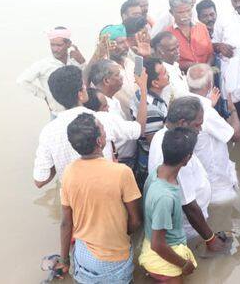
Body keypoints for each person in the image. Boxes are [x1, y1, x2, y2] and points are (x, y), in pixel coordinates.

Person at [56, 113, 142, 283]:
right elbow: (136, 221)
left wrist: (64, 259)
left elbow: (66, 222)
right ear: (99, 142)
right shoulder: (122, 172)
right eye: (103, 130)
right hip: (114, 258)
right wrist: (120, 234)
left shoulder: (68, 172)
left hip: (83, 255)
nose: (105, 133)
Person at [33, 66, 144, 187]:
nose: (86, 87)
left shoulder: (48, 132)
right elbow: (139, 129)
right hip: (107, 190)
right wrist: (143, 89)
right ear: (80, 94)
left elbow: (40, 181)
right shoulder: (102, 119)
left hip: (73, 200)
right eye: (83, 86)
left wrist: (58, 159)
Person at [147, 97, 228, 252]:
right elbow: (189, 205)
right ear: (183, 123)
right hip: (189, 228)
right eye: (198, 124)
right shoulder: (176, 153)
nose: (201, 129)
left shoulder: (163, 135)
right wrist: (210, 239)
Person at [139, 127, 199, 282]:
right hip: (162, 255)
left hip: (153, 245)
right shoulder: (165, 197)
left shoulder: (157, 172)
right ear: (187, 158)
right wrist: (184, 264)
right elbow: (157, 244)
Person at [186, 63, 240, 203]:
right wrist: (232, 109)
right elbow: (236, 136)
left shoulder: (183, 102)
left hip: (196, 179)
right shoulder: (207, 112)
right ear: (210, 85)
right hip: (215, 186)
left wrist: (209, 104)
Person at [88, 59, 147, 167]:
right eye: (117, 74)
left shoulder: (112, 98)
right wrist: (143, 88)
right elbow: (140, 128)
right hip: (120, 162)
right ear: (106, 81)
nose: (122, 77)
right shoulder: (103, 108)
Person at [17, 26, 85, 117]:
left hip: (79, 114)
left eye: (59, 45)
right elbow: (22, 81)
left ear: (69, 44)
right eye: (52, 45)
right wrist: (44, 96)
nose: (55, 49)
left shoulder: (76, 60)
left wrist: (83, 62)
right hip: (58, 115)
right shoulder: (43, 65)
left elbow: (87, 82)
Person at [132, 57, 171, 188]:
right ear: (155, 82)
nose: (168, 75)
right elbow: (154, 140)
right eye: (164, 73)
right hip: (152, 163)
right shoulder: (151, 108)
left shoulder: (139, 93)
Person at [166, 0, 214, 72]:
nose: (185, 15)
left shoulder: (202, 27)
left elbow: (211, 54)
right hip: (182, 80)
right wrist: (191, 66)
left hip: (205, 78)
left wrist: (207, 68)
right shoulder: (167, 34)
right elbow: (168, 63)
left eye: (188, 11)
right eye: (180, 12)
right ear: (171, 12)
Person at [152, 31, 191, 104]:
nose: (177, 51)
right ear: (160, 51)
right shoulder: (160, 71)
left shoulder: (174, 65)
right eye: (172, 49)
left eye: (178, 47)